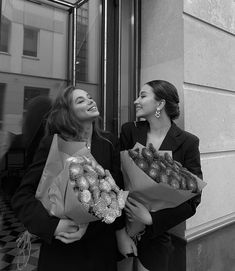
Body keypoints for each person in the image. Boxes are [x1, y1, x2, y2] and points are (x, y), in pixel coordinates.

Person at [12, 85, 136, 271]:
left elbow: (115, 196)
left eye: (90, 97)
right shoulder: (54, 144)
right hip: (62, 250)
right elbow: (23, 196)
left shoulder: (109, 142)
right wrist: (53, 226)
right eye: (81, 100)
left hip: (100, 247)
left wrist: (116, 233)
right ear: (67, 112)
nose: (91, 101)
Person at [120, 80, 203, 271]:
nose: (135, 101)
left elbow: (193, 199)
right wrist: (122, 230)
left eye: (142, 95)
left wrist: (150, 219)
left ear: (160, 103)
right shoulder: (129, 131)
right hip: (121, 226)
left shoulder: (188, 142)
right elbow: (116, 177)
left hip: (156, 235)